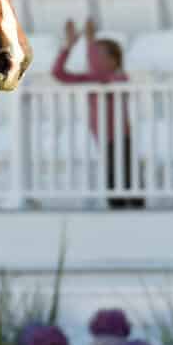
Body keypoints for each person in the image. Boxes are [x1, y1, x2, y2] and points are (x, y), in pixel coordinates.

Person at [51, 18, 139, 208]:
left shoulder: (119, 78)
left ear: (114, 60)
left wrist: (90, 40)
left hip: (121, 137)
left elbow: (99, 71)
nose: (93, 58)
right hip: (104, 138)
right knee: (112, 180)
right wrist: (68, 46)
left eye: (99, 55)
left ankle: (137, 208)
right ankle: (118, 211)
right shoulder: (91, 79)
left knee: (129, 178)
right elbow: (58, 73)